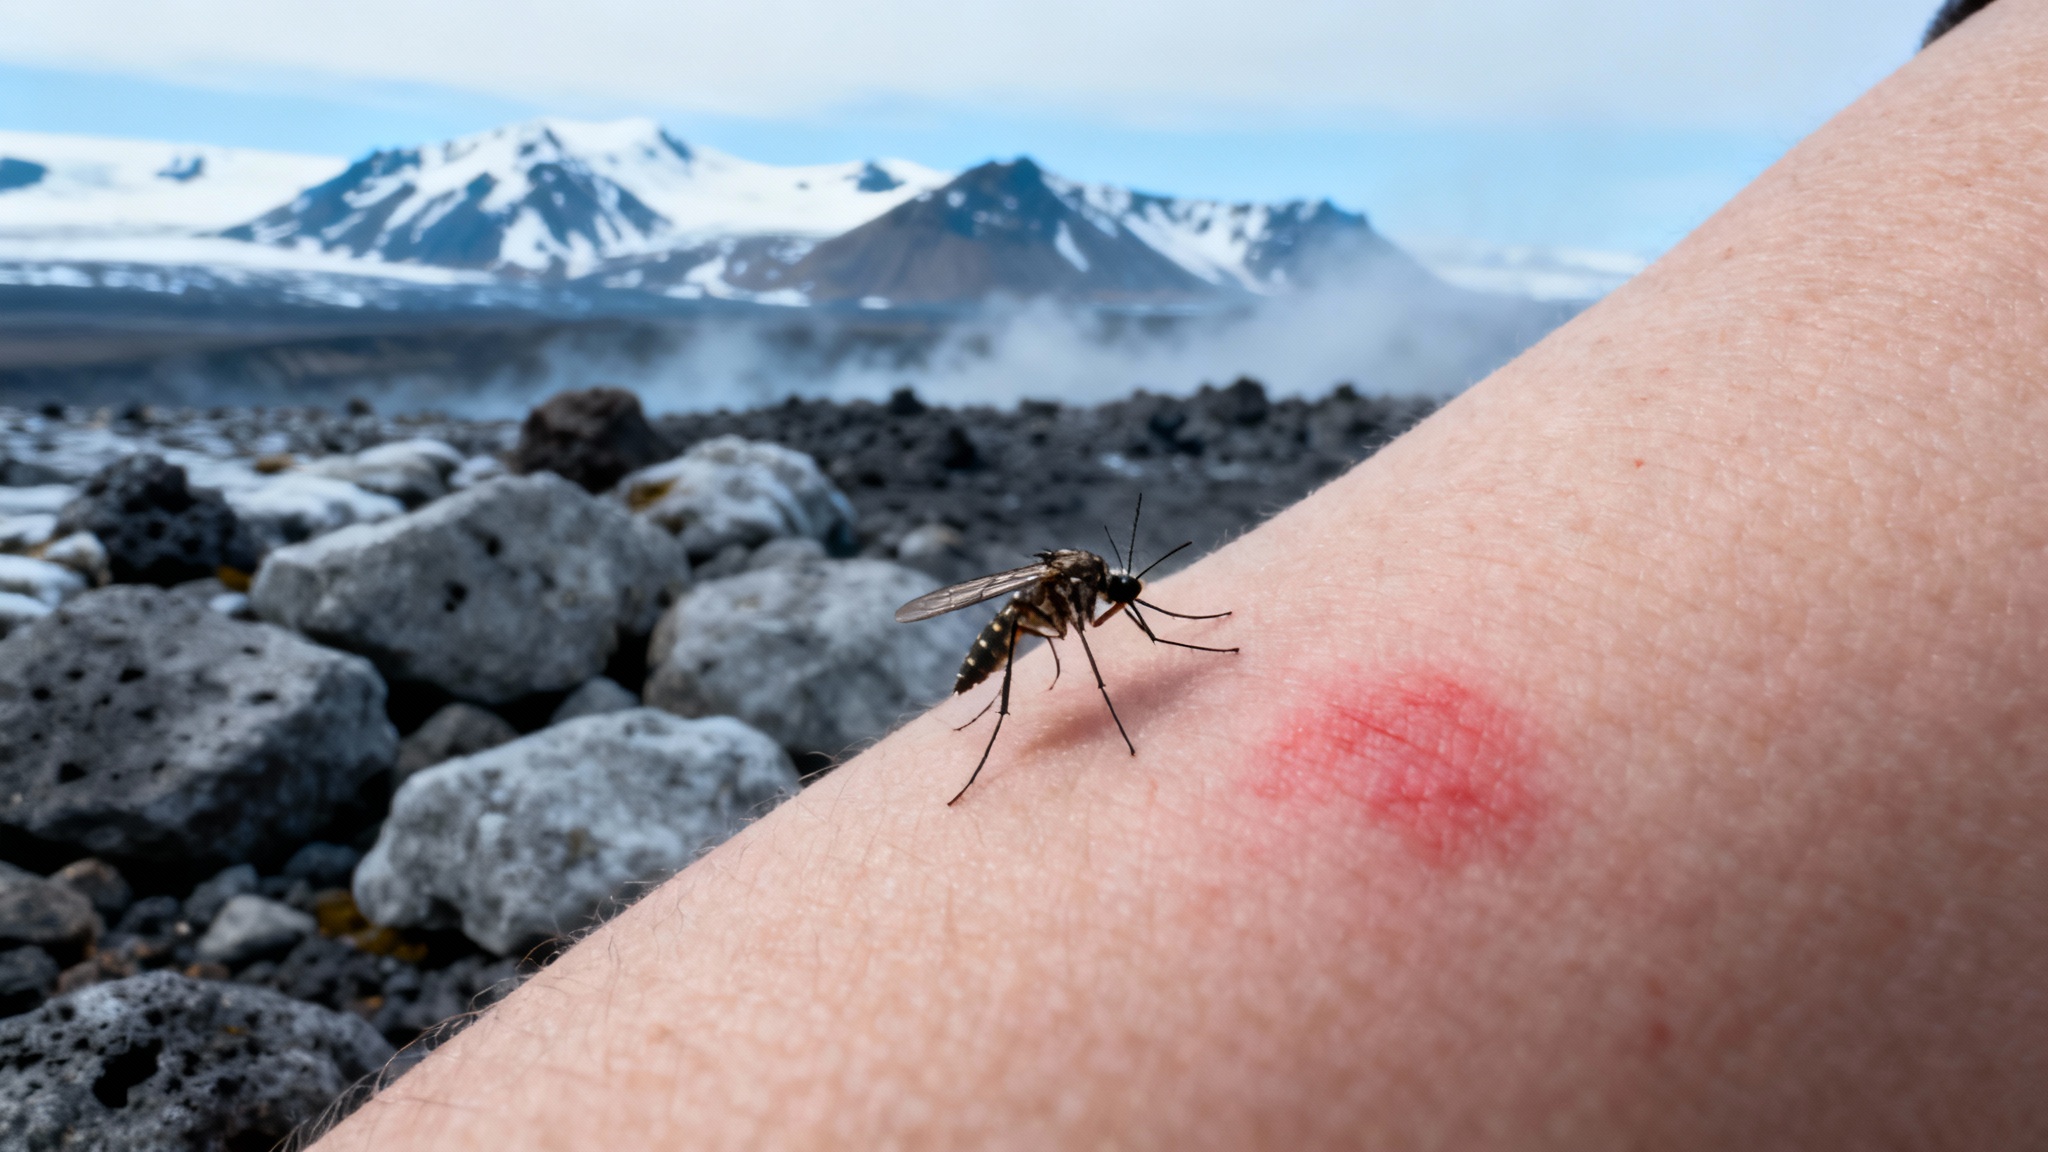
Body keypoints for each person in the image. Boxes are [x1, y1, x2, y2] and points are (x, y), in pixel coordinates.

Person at [317, 3, 2048, 1146]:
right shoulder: (1060, 609)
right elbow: (1059, 630)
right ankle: (978, 750)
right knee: (1040, 667)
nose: (1124, 612)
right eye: (1124, 601)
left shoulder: (1101, 590)